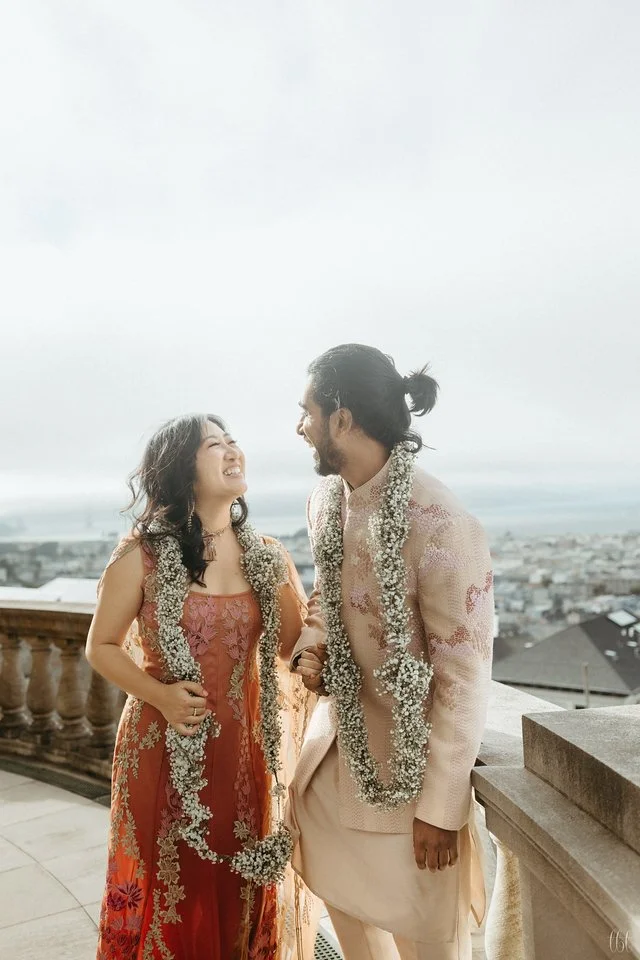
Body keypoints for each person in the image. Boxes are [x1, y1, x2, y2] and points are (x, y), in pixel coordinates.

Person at [286, 344, 494, 960]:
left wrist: (441, 805)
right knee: (352, 936)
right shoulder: (326, 501)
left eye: (307, 412)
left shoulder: (441, 520)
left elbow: (465, 670)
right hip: (334, 766)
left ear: (342, 418)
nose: (299, 427)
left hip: (411, 792)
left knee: (428, 946)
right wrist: (315, 644)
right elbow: (327, 590)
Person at [87, 414, 318, 960]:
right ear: (182, 470)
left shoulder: (266, 555)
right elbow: (101, 646)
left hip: (243, 756)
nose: (232, 449)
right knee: (172, 895)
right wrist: (161, 695)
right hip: (162, 745)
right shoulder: (140, 554)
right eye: (214, 444)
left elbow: (295, 645)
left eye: (233, 439)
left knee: (238, 892)